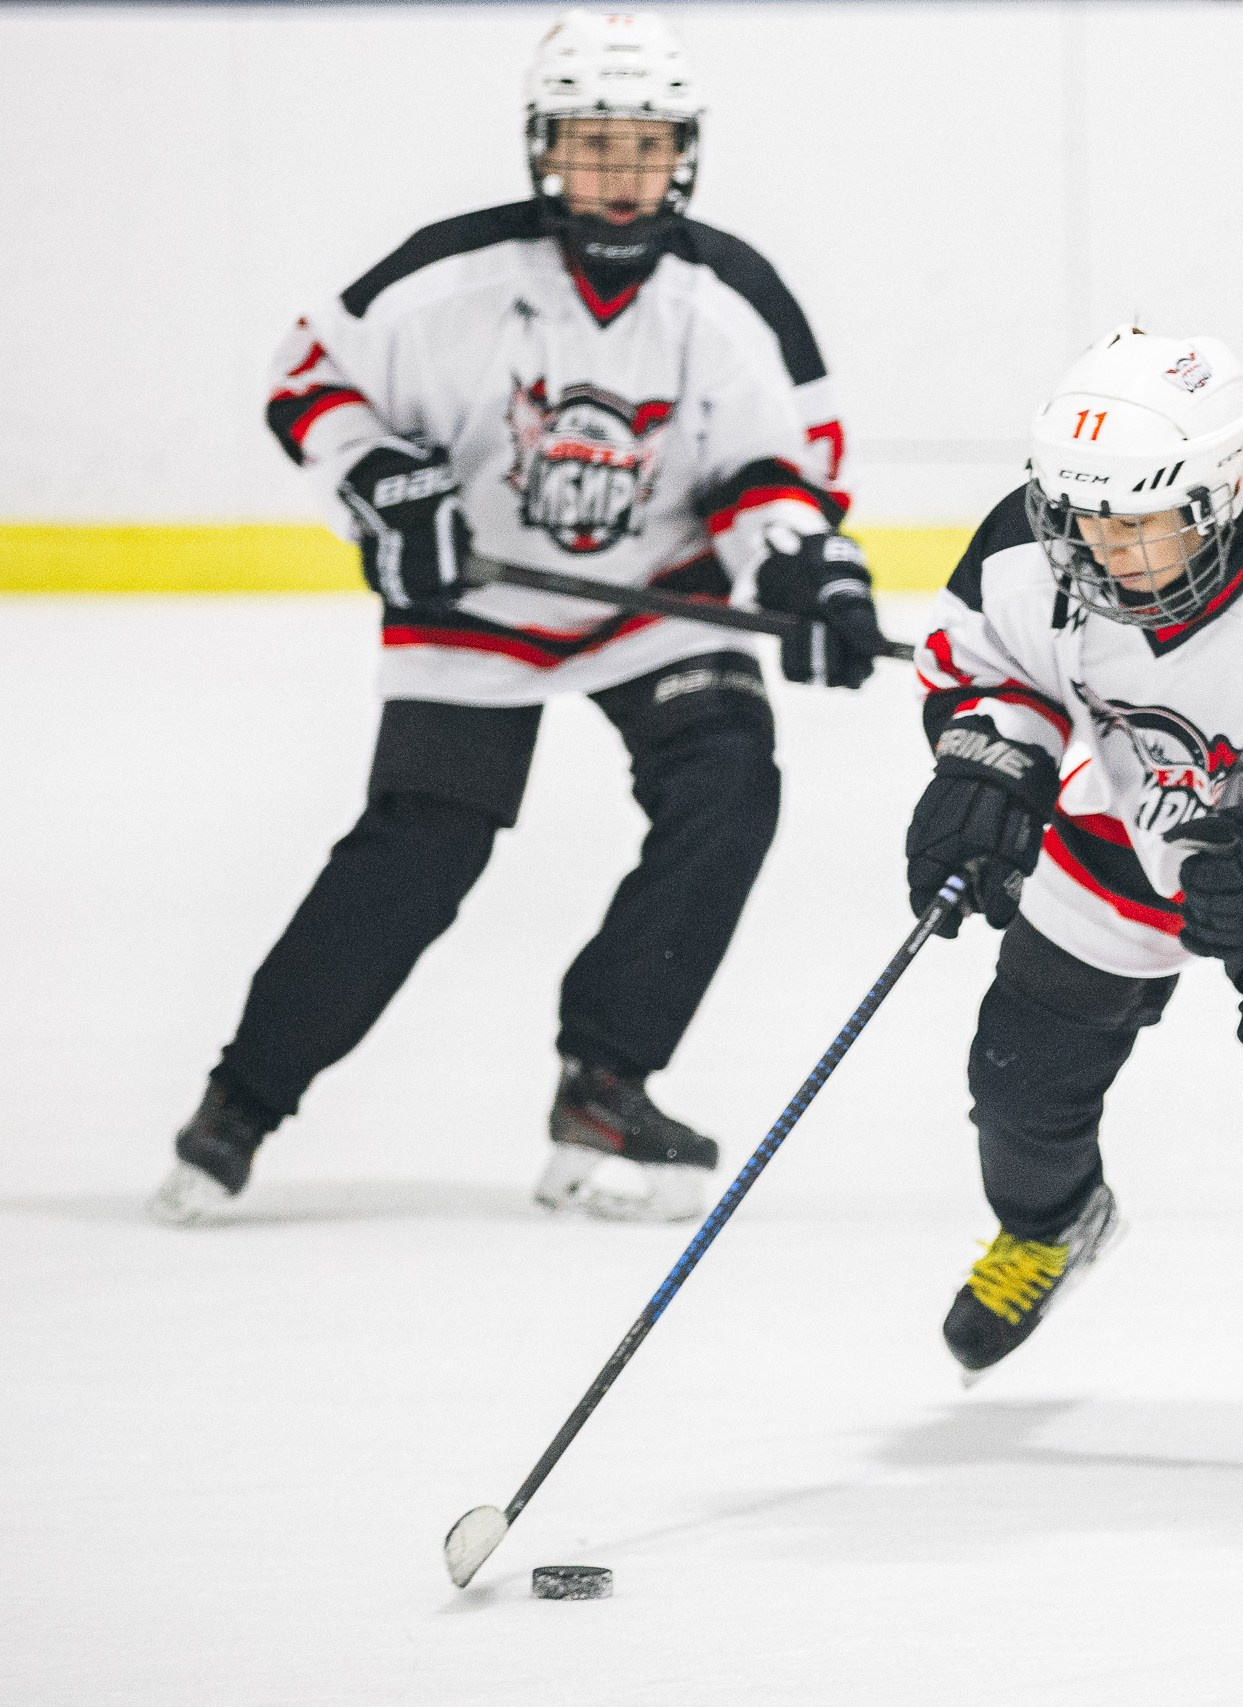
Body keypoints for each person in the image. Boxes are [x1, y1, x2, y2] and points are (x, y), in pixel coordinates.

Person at [150, 10, 891, 1227]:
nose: (618, 177)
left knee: (727, 784)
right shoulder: (454, 275)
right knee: (424, 851)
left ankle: (605, 1081)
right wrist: (385, 480)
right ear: (545, 149)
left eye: (644, 149)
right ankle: (242, 1101)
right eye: (593, 146)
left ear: (683, 156)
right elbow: (307, 379)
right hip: (474, 597)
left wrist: (810, 572)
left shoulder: (729, 296)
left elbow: (778, 472)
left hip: (657, 599)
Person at [908, 326, 1243, 1465]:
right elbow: (990, 672)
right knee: (1015, 1078)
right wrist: (990, 757)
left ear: (1225, 487)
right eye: (1087, 519)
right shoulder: (1028, 547)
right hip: (1126, 831)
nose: (1108, 551)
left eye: (1143, 519)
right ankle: (1053, 1223)